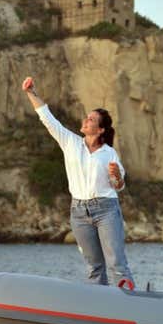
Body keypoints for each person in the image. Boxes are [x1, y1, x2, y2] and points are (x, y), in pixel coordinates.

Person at [22, 77, 135, 288]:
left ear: (101, 130)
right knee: (94, 267)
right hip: (79, 212)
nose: (86, 120)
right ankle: (98, 311)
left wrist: (117, 177)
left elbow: (118, 186)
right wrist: (31, 92)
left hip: (106, 210)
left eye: (91, 120)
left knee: (116, 264)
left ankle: (128, 309)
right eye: (87, 117)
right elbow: (48, 119)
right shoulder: (70, 142)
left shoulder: (109, 153)